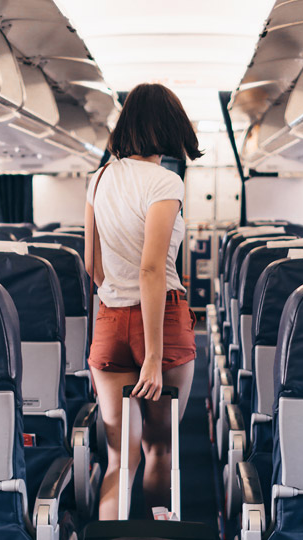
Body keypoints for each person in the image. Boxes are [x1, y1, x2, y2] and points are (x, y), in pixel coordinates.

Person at [85, 83, 203, 519]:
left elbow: (91, 263)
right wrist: (153, 357)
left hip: (110, 321)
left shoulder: (98, 179)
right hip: (164, 323)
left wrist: (115, 291)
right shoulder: (165, 181)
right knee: (158, 447)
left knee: (119, 458)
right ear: (171, 128)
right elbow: (152, 269)